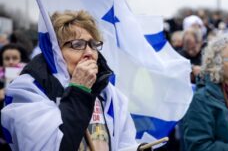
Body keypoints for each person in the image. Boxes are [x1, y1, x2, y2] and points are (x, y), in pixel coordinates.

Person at [1, 10, 144, 151]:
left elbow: (124, 143)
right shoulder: (29, 89)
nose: (89, 53)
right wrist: (79, 91)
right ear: (55, 52)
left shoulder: (109, 93)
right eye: (77, 44)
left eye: (93, 45)